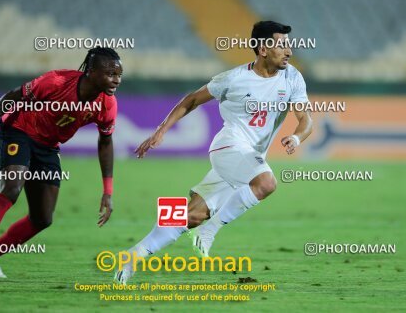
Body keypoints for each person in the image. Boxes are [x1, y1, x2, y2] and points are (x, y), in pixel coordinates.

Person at [115, 21, 313, 284]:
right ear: (263, 49)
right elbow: (191, 100)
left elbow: (306, 119)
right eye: (282, 44)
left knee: (191, 214)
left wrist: (297, 137)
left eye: (289, 44)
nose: (288, 50)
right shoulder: (233, 79)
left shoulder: (292, 77)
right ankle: (211, 231)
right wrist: (161, 130)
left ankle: (132, 257)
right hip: (229, 147)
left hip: (248, 160)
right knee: (266, 183)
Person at [0, 47, 122, 280]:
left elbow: (105, 142)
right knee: (11, 188)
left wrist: (108, 191)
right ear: (91, 72)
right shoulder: (56, 82)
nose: (116, 80)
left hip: (49, 145)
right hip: (19, 129)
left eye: (119, 74)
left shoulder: (107, 104)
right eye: (110, 74)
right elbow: (11, 96)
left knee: (43, 217)